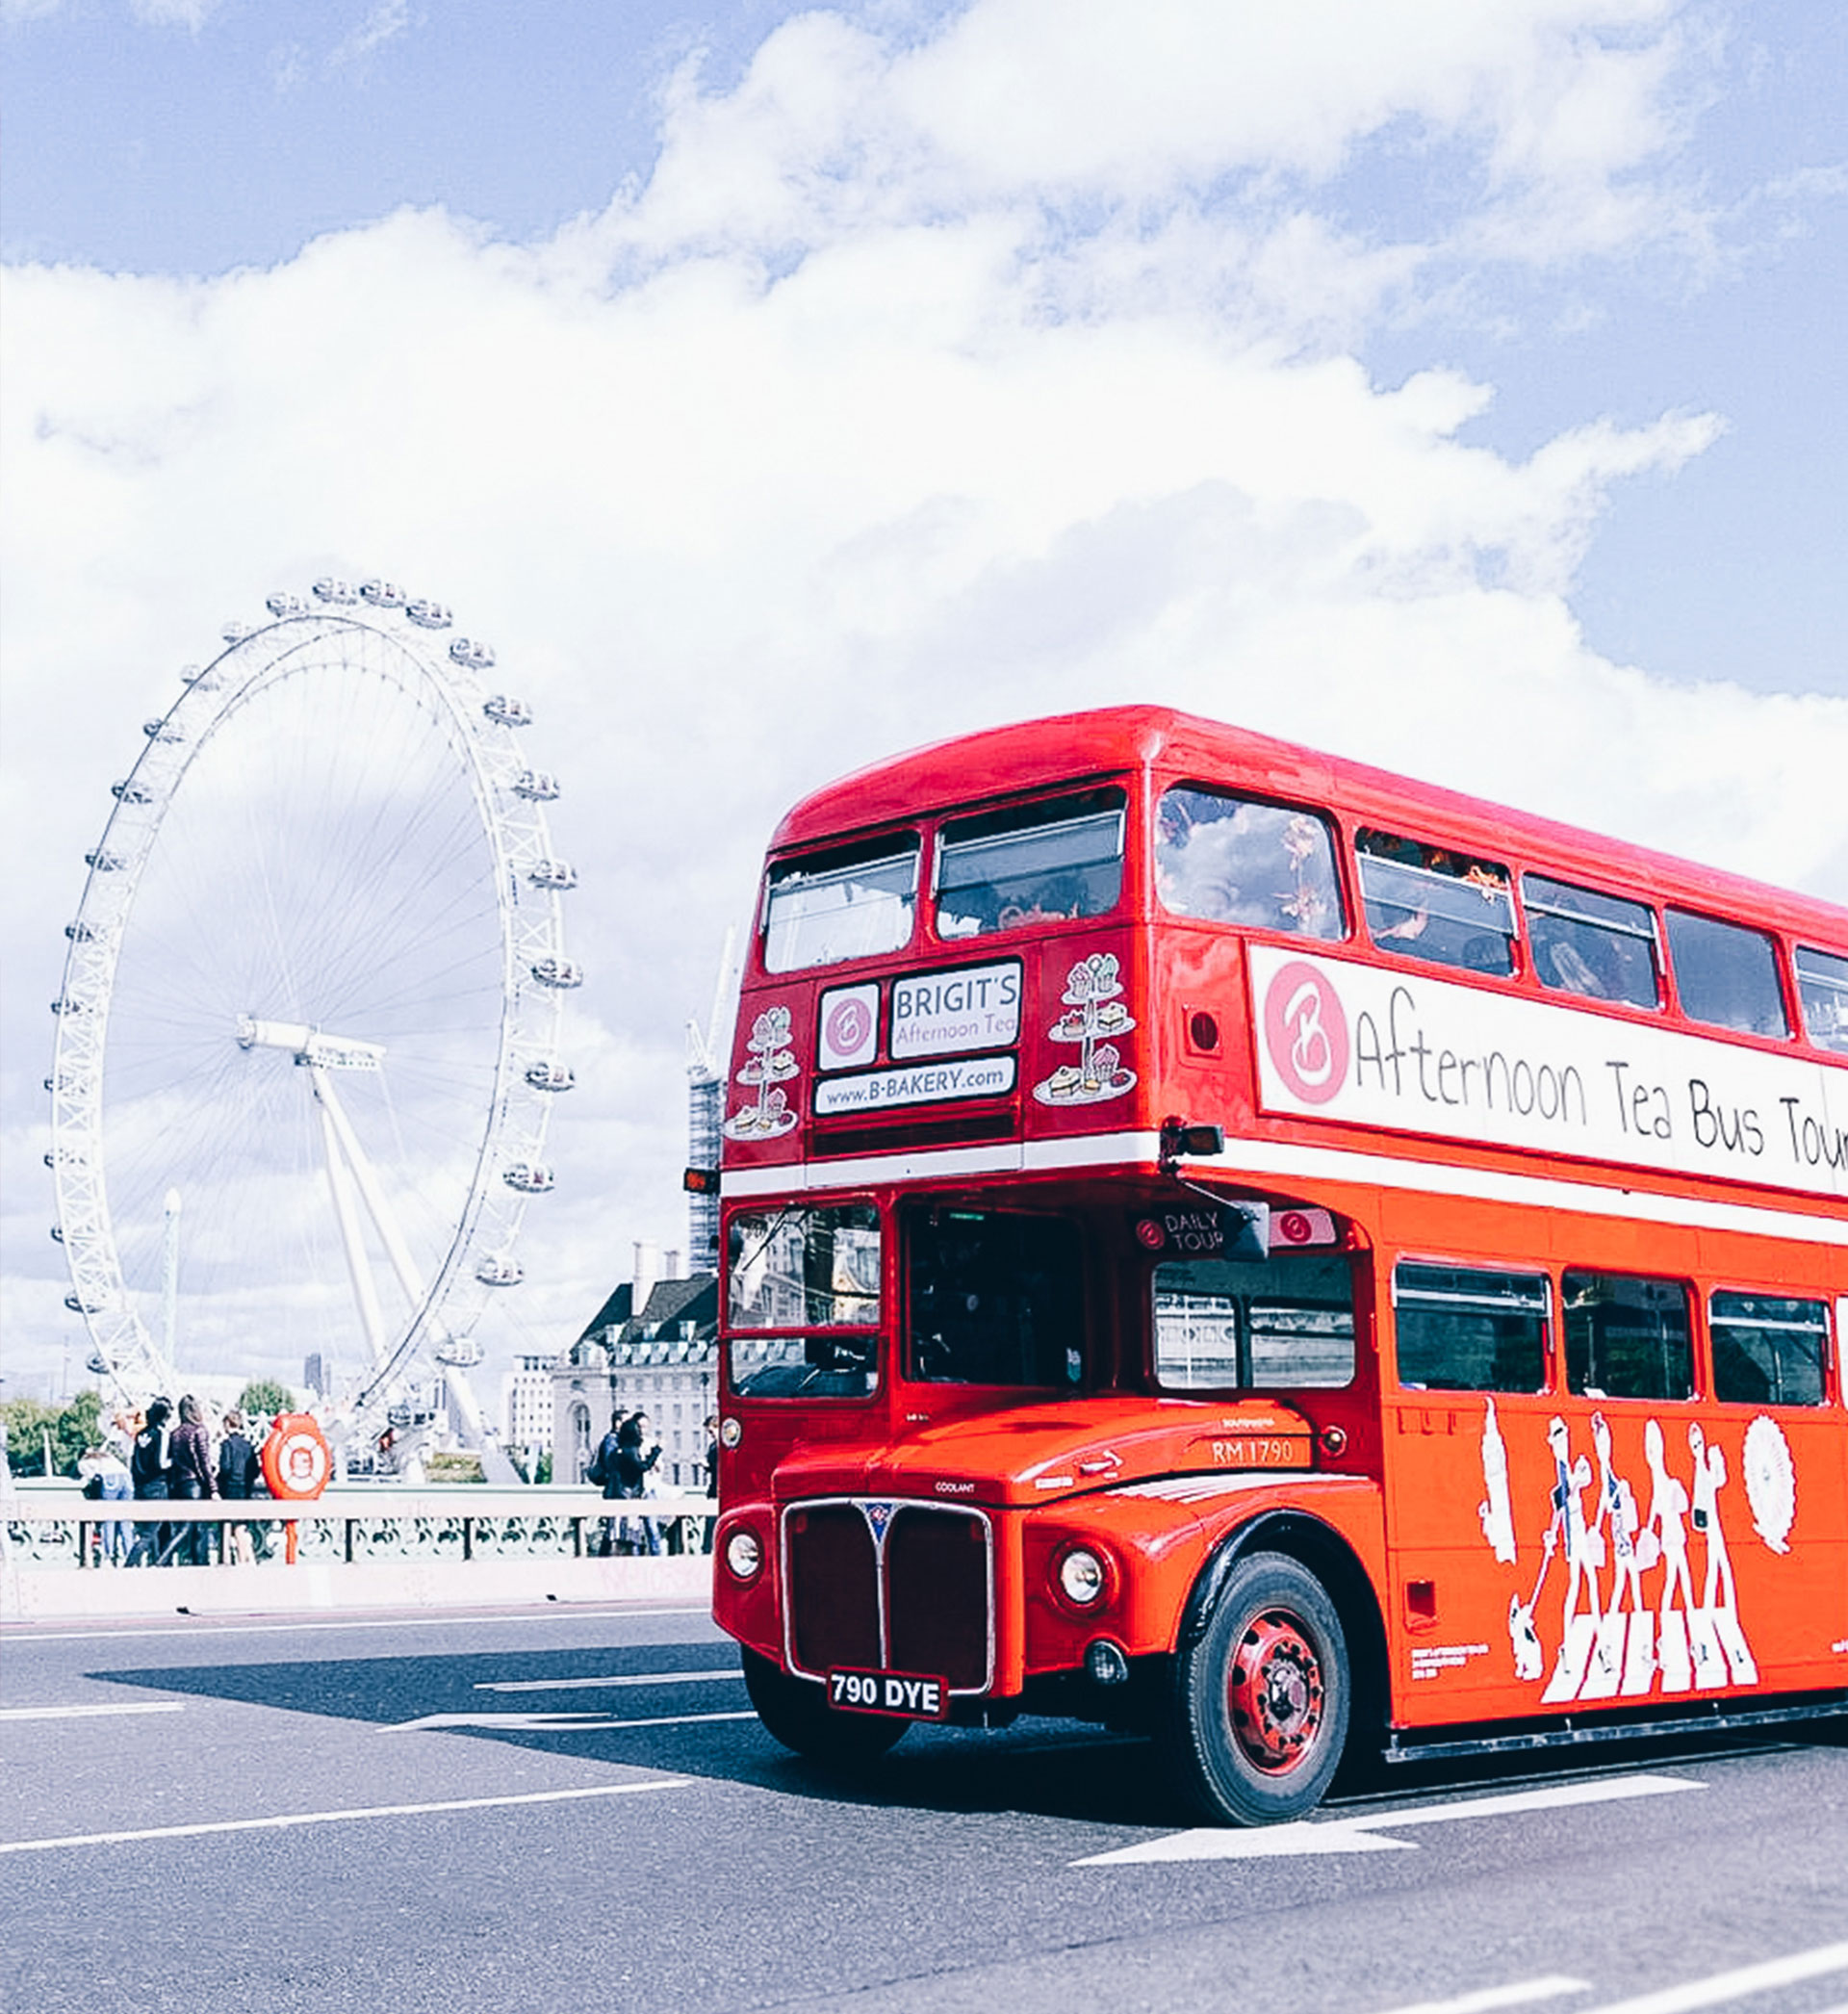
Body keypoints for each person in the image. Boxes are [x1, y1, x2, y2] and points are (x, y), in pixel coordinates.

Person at [167, 1394, 218, 1565]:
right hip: (195, 1485)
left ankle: (191, 1563)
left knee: (187, 1529)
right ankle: (166, 1560)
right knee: (195, 1529)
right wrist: (213, 1489)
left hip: (179, 1485)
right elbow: (203, 1462)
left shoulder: (174, 1434)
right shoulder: (199, 1430)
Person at [128, 1399, 173, 1565]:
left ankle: (155, 1563)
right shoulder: (162, 1433)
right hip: (156, 1486)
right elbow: (161, 1463)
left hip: (140, 1487)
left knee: (147, 1531)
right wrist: (175, 1462)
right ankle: (129, 1564)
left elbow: (133, 1461)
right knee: (151, 1532)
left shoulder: (141, 1434)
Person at [614, 1411, 663, 1556]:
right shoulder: (629, 1449)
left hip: (645, 1490)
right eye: (640, 1427)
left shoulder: (627, 1447)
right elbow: (641, 1467)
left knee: (650, 1530)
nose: (642, 1430)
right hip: (633, 1492)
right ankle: (637, 1559)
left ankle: (651, 1557)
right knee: (633, 1531)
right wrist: (655, 1452)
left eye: (645, 1427)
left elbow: (658, 1468)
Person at [217, 1409, 262, 1564]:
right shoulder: (248, 1445)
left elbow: (225, 1467)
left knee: (227, 1525)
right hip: (245, 1489)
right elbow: (255, 1469)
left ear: (228, 1424)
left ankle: (228, 1559)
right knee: (241, 1526)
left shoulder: (227, 1444)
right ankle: (247, 1559)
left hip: (230, 1489)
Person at [79, 1442, 133, 1565]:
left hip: (110, 1479)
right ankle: (129, 1554)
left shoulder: (83, 1462)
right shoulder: (107, 1456)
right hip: (126, 1477)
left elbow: (91, 1480)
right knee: (125, 1519)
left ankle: (109, 1554)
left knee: (109, 1517)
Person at [585, 1408, 628, 1557]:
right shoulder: (611, 1440)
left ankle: (607, 1557)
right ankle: (605, 1558)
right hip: (615, 1490)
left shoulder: (618, 1440)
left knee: (617, 1527)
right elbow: (612, 1464)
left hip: (618, 1490)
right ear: (617, 1423)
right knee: (614, 1529)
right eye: (627, 1422)